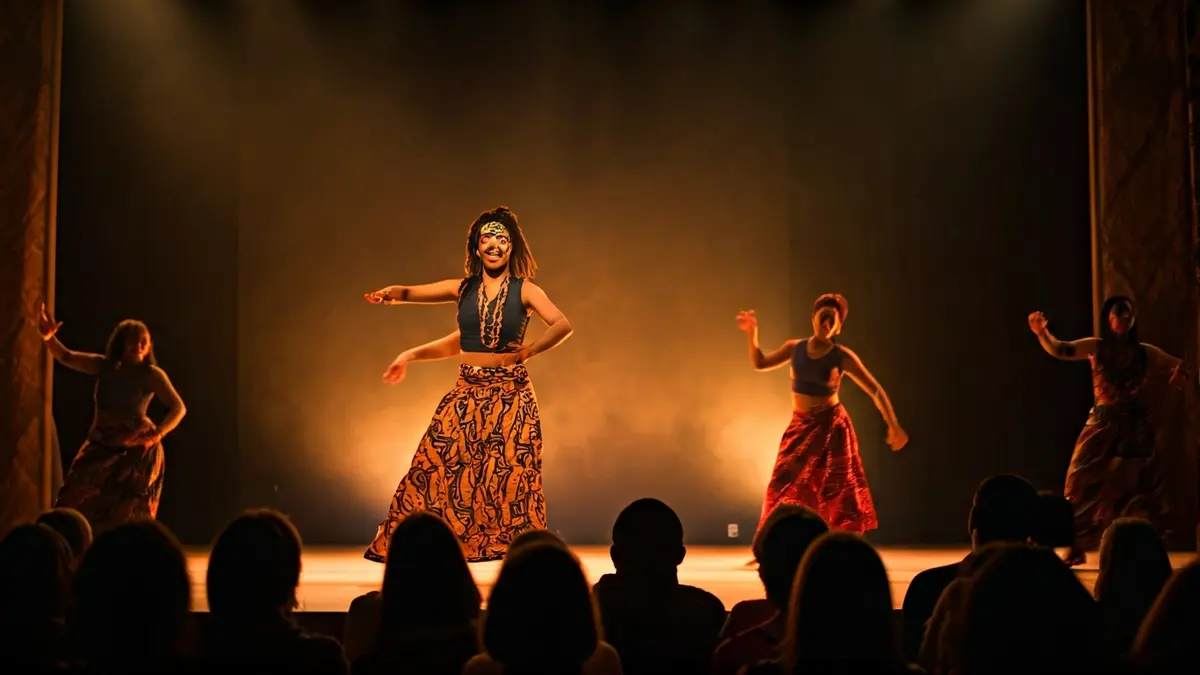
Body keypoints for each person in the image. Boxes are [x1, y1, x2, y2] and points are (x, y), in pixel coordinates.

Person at [362, 206, 572, 563]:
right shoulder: (463, 290)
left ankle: (515, 556)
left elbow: (562, 324)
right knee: (437, 465)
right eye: (487, 238)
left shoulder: (526, 291)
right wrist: (404, 339)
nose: (494, 244)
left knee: (507, 477)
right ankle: (434, 546)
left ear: (511, 248)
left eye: (502, 239)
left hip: (511, 397)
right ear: (476, 248)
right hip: (467, 392)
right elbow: (427, 309)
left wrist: (529, 351)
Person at [1029, 295, 1188, 566]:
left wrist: (1181, 371)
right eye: (1117, 315)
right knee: (1077, 483)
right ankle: (1075, 544)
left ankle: (1139, 551)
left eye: (1128, 316)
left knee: (1135, 489)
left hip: (1134, 429)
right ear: (1108, 317)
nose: (1122, 321)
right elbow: (1061, 349)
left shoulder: (1144, 353)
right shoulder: (1096, 347)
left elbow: (1177, 363)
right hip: (1102, 426)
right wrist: (1042, 332)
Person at [736, 294, 907, 535]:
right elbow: (760, 363)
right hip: (800, 426)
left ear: (838, 326)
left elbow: (875, 390)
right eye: (823, 317)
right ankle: (773, 540)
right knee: (782, 484)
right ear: (813, 319)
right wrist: (751, 333)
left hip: (831, 427)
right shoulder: (794, 348)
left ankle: (841, 543)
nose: (826, 324)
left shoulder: (841, 356)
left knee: (836, 489)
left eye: (832, 321)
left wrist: (893, 424)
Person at [38, 304, 186, 534]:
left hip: (137, 450)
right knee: (74, 495)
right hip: (102, 442)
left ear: (148, 347)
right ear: (120, 343)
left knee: (127, 512)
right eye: (133, 340)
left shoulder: (152, 374)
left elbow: (179, 407)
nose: (139, 345)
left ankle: (122, 558)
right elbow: (66, 356)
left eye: (144, 341)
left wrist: (158, 433)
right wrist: (49, 338)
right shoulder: (104, 366)